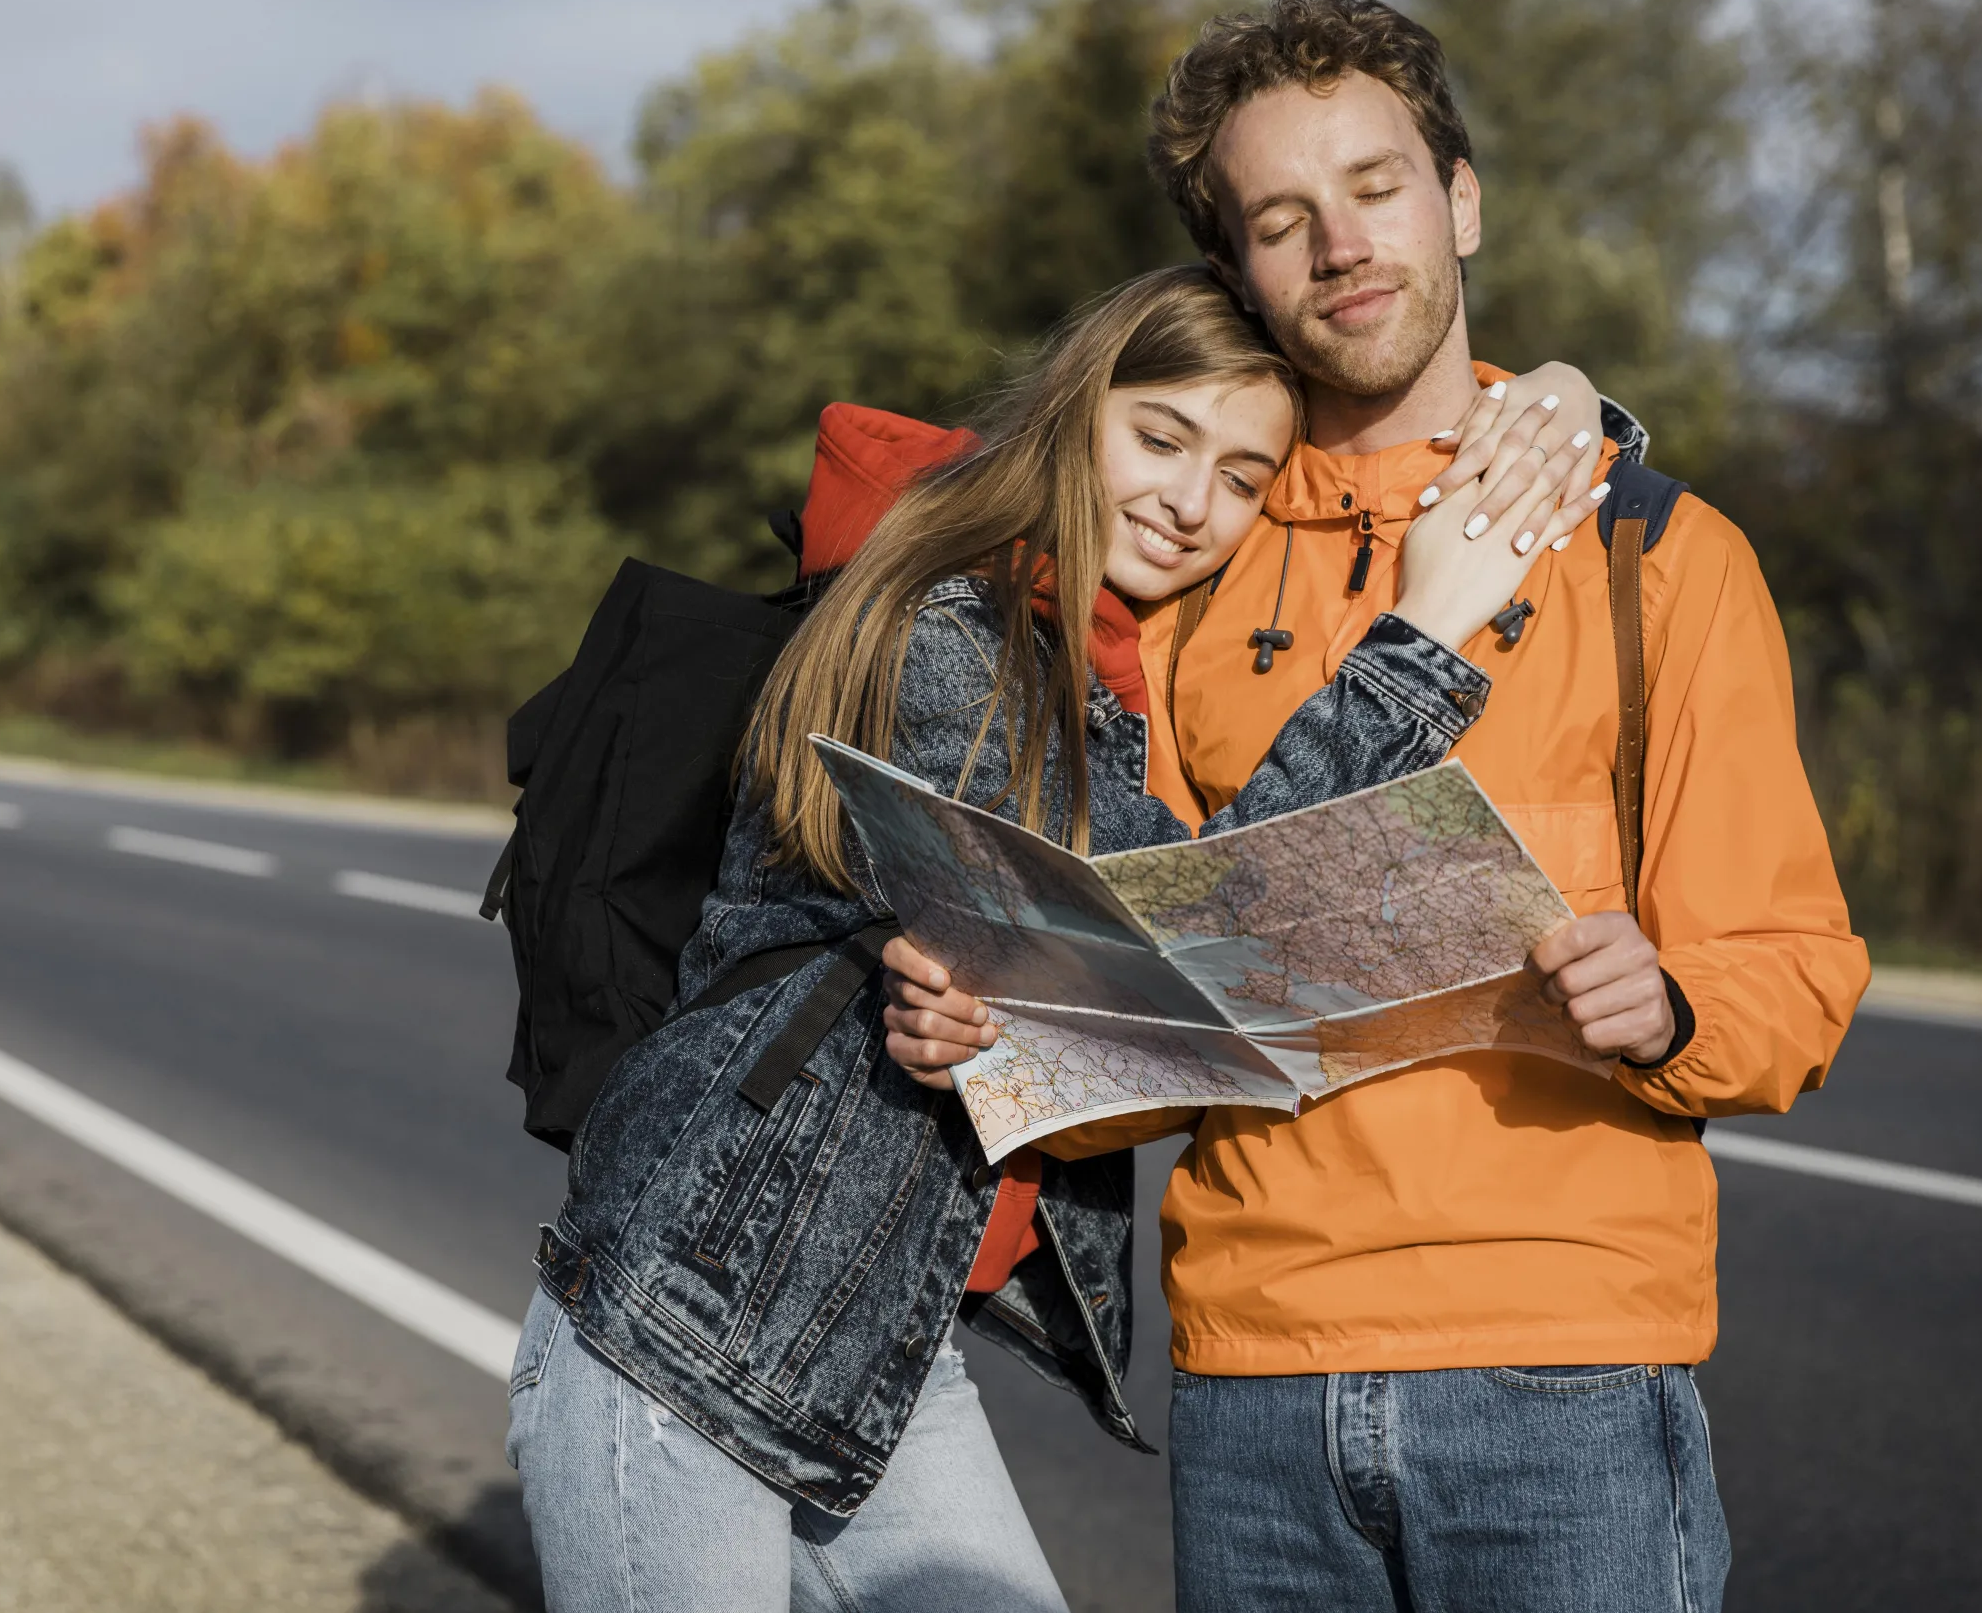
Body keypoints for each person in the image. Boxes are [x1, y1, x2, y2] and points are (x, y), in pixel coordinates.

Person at [882, 0, 1869, 1613]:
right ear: (1241, 271)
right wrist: (1010, 1022)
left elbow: (1796, 969)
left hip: (1567, 1378)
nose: (1338, 244)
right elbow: (1168, 1020)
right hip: (1254, 1390)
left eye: (1375, 186)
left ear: (1460, 200)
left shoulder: (1663, 559)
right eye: (1281, 218)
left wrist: (1671, 996)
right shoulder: (1189, 571)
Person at [506, 263, 1615, 1612]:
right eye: (1160, 436)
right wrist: (1424, 637)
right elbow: (1195, 940)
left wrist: (1561, 400)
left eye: (1245, 476)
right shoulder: (947, 628)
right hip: (675, 1334)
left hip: (874, 1348)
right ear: (1072, 414)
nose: (1191, 500)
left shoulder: (1099, 663)